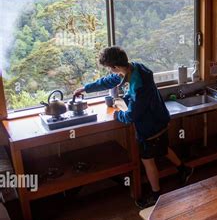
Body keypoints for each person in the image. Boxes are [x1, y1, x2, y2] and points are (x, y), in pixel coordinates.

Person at [74, 46, 193, 209]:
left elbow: (132, 116)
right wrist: (86, 88)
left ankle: (157, 196)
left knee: (147, 160)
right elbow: (109, 81)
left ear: (115, 67)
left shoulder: (138, 85)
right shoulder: (133, 67)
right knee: (163, 148)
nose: (110, 72)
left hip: (150, 125)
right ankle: (184, 169)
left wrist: (117, 115)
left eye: (110, 68)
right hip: (160, 118)